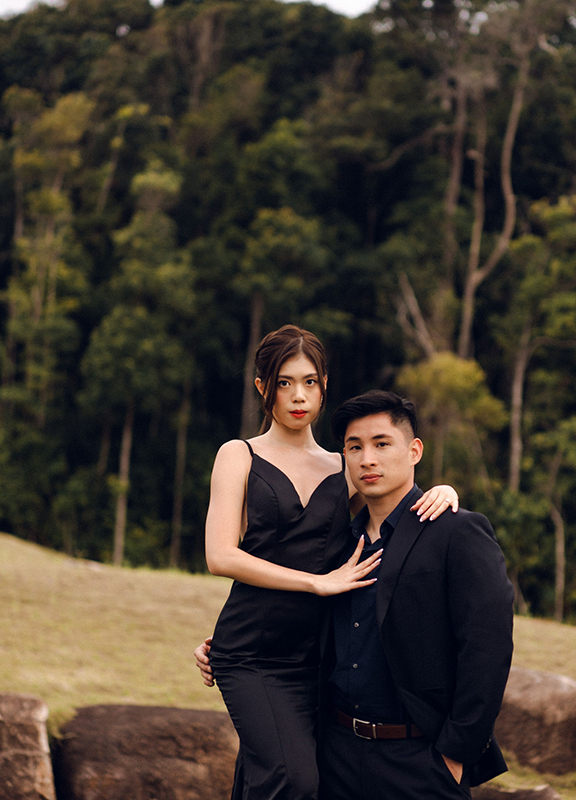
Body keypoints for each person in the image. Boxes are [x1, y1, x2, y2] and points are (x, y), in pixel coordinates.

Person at [203, 326, 460, 800]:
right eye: (284, 382)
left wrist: (444, 491)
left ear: (324, 386)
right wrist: (317, 583)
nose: (298, 396)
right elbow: (220, 556)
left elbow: (395, 491)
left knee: (279, 776)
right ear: (262, 387)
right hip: (250, 652)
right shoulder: (238, 455)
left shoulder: (343, 466)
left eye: (310, 382)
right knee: (291, 778)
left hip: (318, 657)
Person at [317, 390, 514, 799]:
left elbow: (487, 648)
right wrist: (229, 649)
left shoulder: (457, 532)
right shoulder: (336, 543)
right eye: (355, 447)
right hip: (336, 756)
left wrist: (455, 754)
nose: (367, 459)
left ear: (414, 451)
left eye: (382, 444)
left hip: (419, 760)